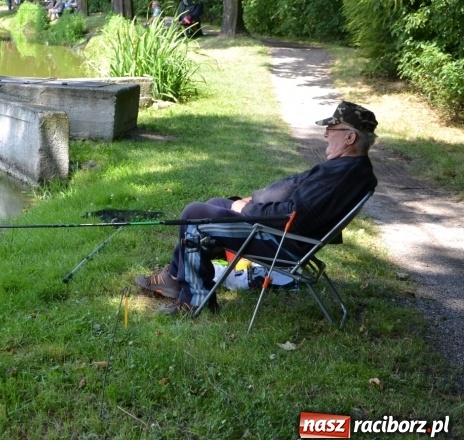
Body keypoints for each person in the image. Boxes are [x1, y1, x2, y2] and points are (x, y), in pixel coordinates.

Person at [135, 101, 379, 315]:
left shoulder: (341, 174)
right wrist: (251, 201)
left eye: (332, 129)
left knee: (195, 214)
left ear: (350, 137)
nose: (326, 134)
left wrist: (247, 211)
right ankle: (176, 278)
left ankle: (196, 301)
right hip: (288, 236)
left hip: (284, 243)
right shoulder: (349, 168)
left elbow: (295, 214)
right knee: (216, 205)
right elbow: (293, 188)